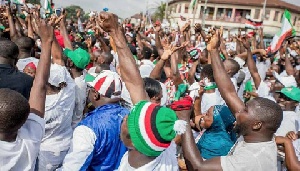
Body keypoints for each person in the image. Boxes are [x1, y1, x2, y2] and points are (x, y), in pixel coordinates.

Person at [177, 30, 283, 171]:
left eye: (245, 110)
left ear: (257, 125)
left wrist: (183, 121)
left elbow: (198, 167)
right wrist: (213, 51)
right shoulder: (256, 135)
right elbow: (228, 92)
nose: (238, 111)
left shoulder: (252, 158)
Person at [98, 12, 187, 170]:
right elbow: (134, 82)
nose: (125, 118)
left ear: (134, 141)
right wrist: (115, 32)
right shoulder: (160, 143)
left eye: (129, 121)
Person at [0, 20, 53, 170]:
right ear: (25, 121)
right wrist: (47, 41)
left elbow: (40, 86)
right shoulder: (31, 139)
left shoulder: (33, 134)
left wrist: (46, 41)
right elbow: (40, 86)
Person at [60, 70, 129, 171]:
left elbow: (74, 166)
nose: (88, 91)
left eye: (90, 89)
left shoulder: (88, 127)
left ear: (96, 94)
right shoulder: (130, 116)